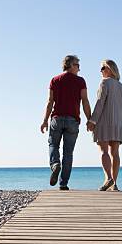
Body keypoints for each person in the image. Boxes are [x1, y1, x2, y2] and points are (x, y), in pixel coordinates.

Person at [40, 55, 92, 190]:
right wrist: (89, 119)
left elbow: (50, 102)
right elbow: (85, 101)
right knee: (68, 153)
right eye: (77, 65)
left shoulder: (55, 80)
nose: (79, 69)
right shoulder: (80, 81)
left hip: (56, 119)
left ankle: (55, 164)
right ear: (69, 65)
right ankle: (63, 184)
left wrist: (45, 120)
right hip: (72, 120)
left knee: (53, 145)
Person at [86, 59, 122, 191]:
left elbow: (100, 102)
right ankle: (114, 184)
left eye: (103, 68)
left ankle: (108, 178)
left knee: (104, 151)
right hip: (118, 123)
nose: (101, 71)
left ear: (109, 69)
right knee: (115, 153)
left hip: (104, 121)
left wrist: (92, 121)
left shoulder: (105, 82)